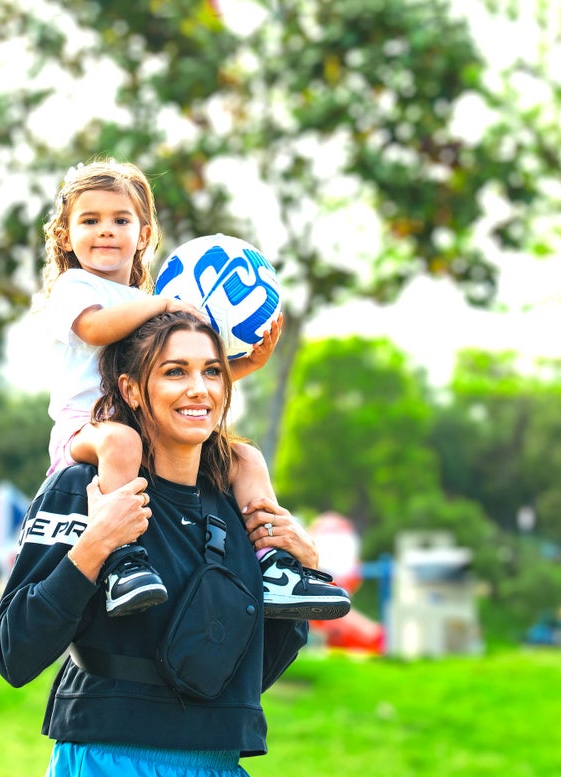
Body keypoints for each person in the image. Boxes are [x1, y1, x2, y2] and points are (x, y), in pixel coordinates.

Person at [0, 311, 319, 777]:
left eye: (212, 371)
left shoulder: (238, 508)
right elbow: (15, 652)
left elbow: (248, 675)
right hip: (112, 768)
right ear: (132, 389)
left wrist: (302, 576)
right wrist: (95, 545)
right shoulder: (85, 487)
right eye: (174, 371)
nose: (199, 389)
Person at [37, 158, 349, 619]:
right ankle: (122, 562)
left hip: (146, 426)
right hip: (87, 430)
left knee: (244, 458)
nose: (105, 230)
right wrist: (163, 305)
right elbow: (95, 328)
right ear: (65, 236)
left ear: (144, 235)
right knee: (121, 441)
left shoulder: (146, 303)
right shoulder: (76, 287)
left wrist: (245, 363)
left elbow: (176, 383)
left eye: (120, 220)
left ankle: (274, 564)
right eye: (90, 221)